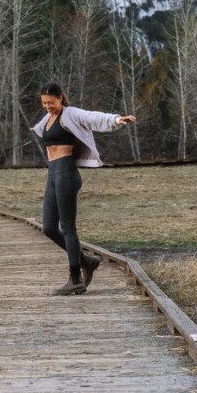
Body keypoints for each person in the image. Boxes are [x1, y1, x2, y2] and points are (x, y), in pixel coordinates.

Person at [31, 81, 136, 296]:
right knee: (49, 228)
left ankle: (75, 279)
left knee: (68, 227)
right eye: (44, 103)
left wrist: (116, 119)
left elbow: (93, 118)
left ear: (61, 98)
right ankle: (86, 261)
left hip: (67, 173)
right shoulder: (48, 119)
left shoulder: (70, 114)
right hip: (53, 174)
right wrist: (35, 128)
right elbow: (42, 129)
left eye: (51, 102)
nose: (48, 106)